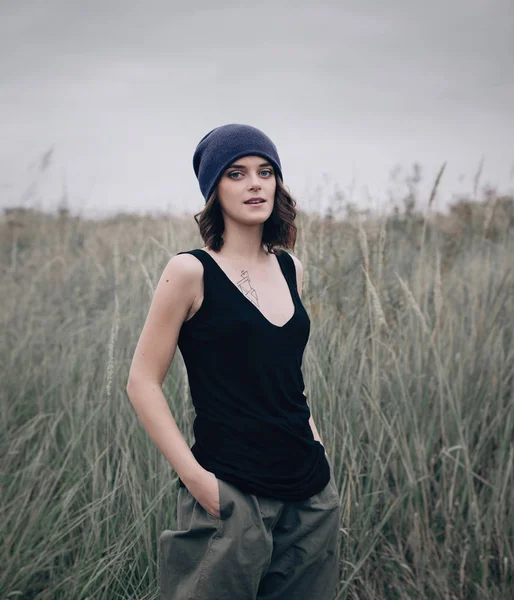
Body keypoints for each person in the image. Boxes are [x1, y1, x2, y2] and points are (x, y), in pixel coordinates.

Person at [126, 123, 341, 599]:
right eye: (237, 173)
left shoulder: (290, 268)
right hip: (231, 492)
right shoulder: (189, 271)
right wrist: (198, 480)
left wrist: (317, 444)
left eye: (265, 172)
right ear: (213, 190)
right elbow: (142, 381)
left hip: (309, 492)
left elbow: (287, 376)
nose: (255, 183)